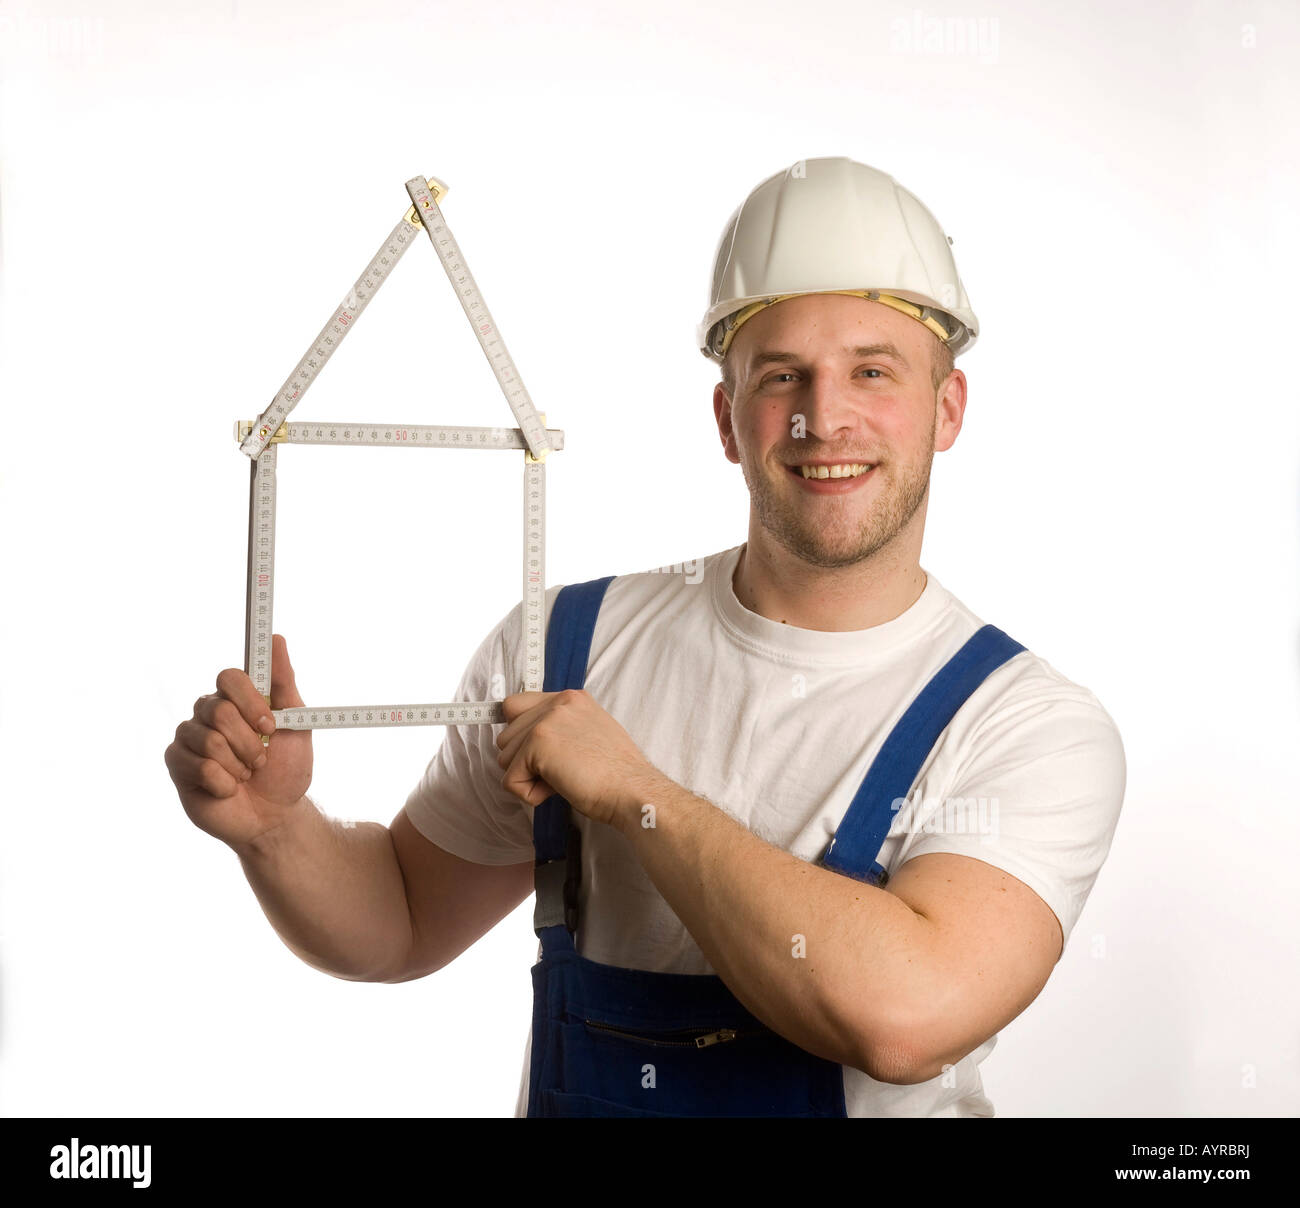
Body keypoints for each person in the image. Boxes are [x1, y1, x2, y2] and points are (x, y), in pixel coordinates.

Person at [165, 156, 1126, 1117]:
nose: (822, 417)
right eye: (781, 374)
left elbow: (905, 1018)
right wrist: (276, 830)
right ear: (727, 418)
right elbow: (402, 920)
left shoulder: (1026, 727)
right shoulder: (567, 647)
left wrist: (634, 794)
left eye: (872, 372)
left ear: (946, 409)